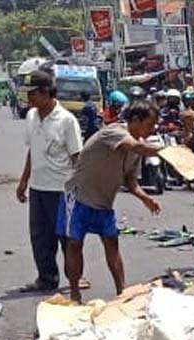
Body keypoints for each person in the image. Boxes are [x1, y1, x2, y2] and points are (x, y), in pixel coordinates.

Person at [59, 101, 163, 304]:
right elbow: (135, 146)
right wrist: (167, 151)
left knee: (112, 243)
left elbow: (130, 180)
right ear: (135, 120)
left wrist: (146, 199)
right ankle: (74, 294)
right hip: (79, 195)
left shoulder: (137, 150)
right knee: (74, 244)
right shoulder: (115, 132)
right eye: (149, 125)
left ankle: (121, 291)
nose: (151, 130)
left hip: (104, 202)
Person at [14, 71, 83, 292]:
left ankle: (75, 278)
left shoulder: (66, 120)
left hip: (61, 188)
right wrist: (23, 181)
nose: (29, 100)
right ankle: (46, 278)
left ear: (46, 93)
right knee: (40, 237)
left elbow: (77, 157)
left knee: (66, 237)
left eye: (32, 94)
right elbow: (31, 151)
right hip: (38, 187)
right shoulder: (32, 116)